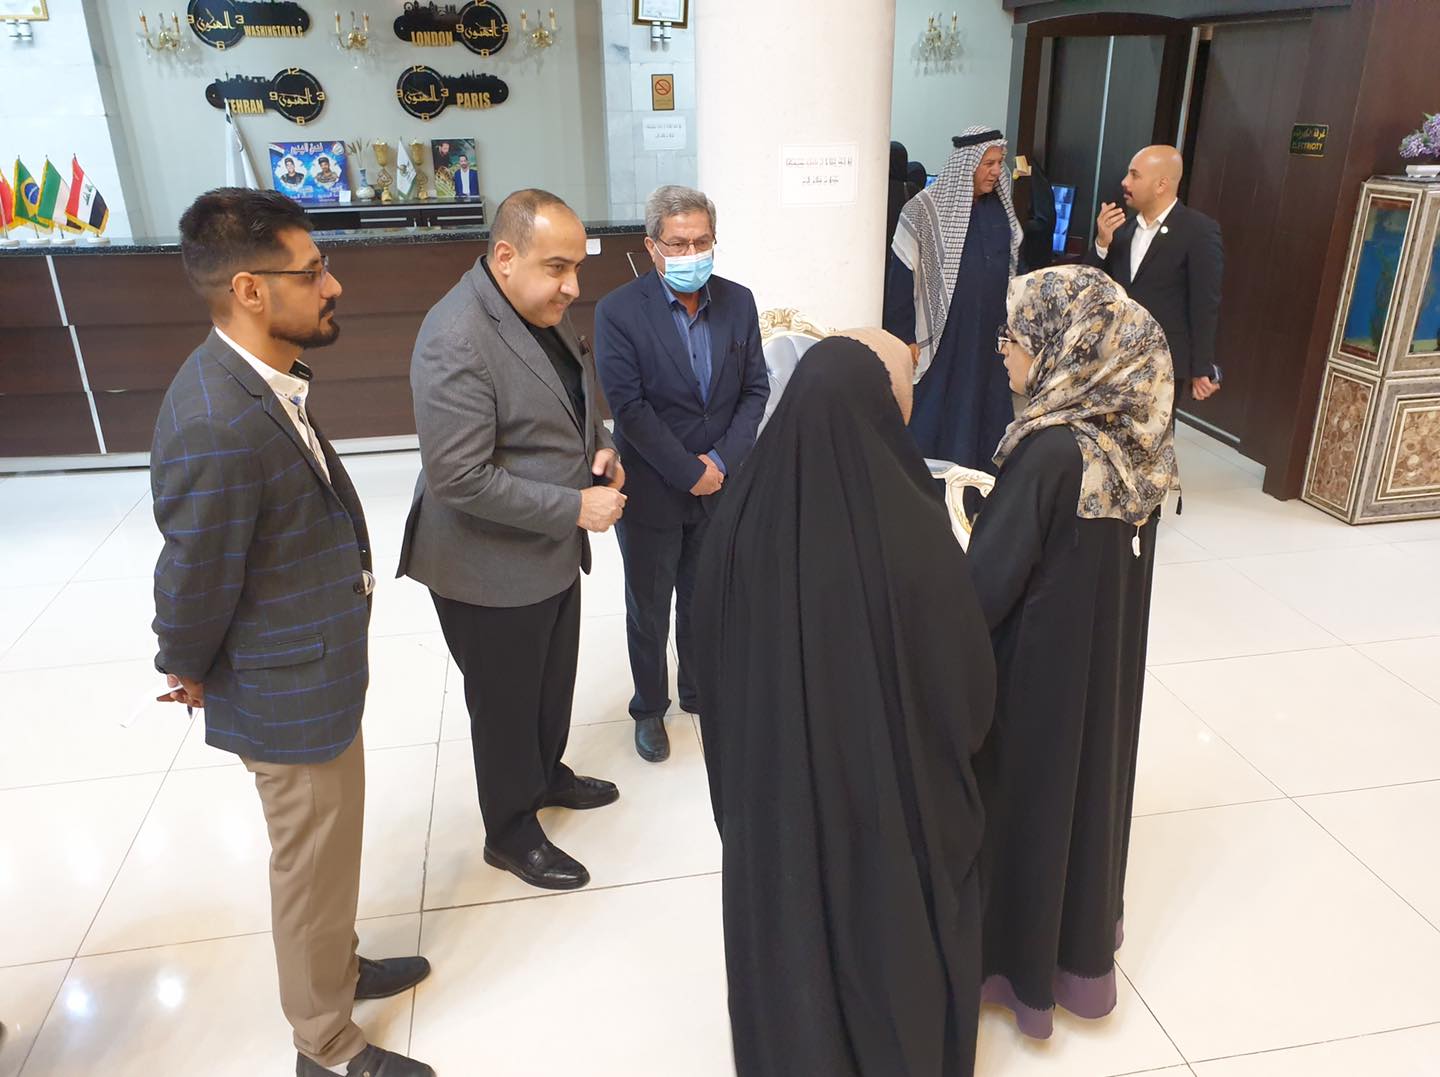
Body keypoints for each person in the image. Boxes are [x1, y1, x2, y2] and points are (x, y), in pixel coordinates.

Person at [151, 188, 433, 1077]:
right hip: (283, 692)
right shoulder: (216, 418)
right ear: (249, 289)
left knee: (332, 848)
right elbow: (194, 571)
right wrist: (183, 663)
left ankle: (337, 968)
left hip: (314, 670)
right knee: (309, 869)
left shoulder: (261, 380)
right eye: (311, 272)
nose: (332, 285)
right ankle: (326, 1041)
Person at [692, 329, 996, 1077]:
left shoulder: (736, 521)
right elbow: (964, 687)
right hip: (885, 815)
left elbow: (704, 664)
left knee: (791, 927)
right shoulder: (911, 534)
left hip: (775, 810)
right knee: (886, 934)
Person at [970, 264, 1178, 1038]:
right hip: (1100, 677)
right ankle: (1075, 954)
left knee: (1028, 812)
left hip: (1034, 685)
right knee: (1084, 803)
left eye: (1017, 335)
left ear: (1066, 345)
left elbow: (984, 589)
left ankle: (1015, 970)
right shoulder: (1136, 443)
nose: (1004, 349)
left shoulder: (1052, 455)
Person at [399, 189, 625, 891]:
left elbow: (567, 396)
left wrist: (602, 446)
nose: (573, 286)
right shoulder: (456, 337)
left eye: (576, 266)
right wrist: (575, 506)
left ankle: (545, 773)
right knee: (504, 705)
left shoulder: (538, 308)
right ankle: (510, 830)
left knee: (550, 682)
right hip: (485, 564)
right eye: (557, 267)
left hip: (547, 549)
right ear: (505, 256)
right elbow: (459, 477)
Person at [593, 185, 768, 763]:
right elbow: (630, 407)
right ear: (652, 246)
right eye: (678, 243)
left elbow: (755, 390)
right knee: (649, 606)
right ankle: (649, 707)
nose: (692, 252)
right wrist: (688, 471)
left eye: (702, 241)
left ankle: (698, 689)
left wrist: (720, 462)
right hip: (652, 487)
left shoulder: (738, 302)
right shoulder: (618, 311)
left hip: (721, 484)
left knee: (704, 595)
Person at [884, 126, 1022, 475]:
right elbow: (901, 278)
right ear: (967, 164)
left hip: (991, 338)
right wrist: (905, 338)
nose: (996, 171)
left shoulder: (999, 210)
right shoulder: (923, 211)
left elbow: (1013, 269)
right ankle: (928, 491)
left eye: (999, 163)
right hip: (943, 338)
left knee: (987, 414)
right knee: (938, 415)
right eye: (988, 163)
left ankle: (982, 491)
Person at [1086, 144, 1224, 402]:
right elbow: (1091, 283)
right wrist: (1102, 243)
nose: (1125, 182)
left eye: (1134, 175)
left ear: (1161, 185)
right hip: (1114, 356)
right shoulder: (1121, 229)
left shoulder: (1198, 231)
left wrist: (1201, 366)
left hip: (1164, 360)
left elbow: (1205, 303)